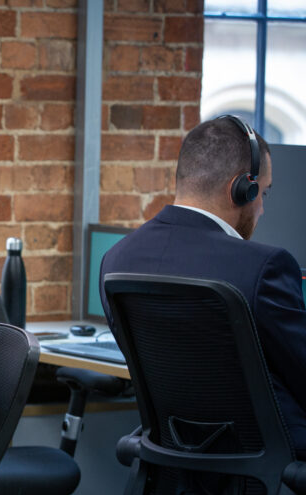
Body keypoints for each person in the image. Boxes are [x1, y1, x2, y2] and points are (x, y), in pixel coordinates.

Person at [100, 115, 306, 456]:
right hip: (271, 466)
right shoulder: (263, 268)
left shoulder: (117, 259)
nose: (263, 209)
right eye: (262, 193)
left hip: (174, 464)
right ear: (241, 189)